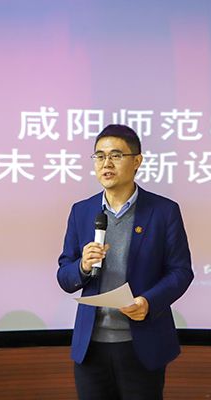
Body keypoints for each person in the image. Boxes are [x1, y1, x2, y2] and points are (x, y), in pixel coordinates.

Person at [57, 124, 194, 400]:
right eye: (99, 156)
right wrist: (82, 267)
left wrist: (148, 302)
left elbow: (180, 272)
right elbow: (64, 275)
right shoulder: (82, 211)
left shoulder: (163, 211)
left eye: (116, 155)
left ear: (137, 161)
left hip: (141, 345)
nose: (106, 163)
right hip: (91, 347)